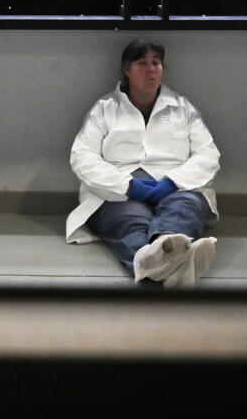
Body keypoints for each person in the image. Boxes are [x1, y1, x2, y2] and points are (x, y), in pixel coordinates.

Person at [67, 39, 220, 287]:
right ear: (126, 70)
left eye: (156, 63)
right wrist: (127, 185)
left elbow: (208, 154)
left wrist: (173, 181)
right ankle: (178, 266)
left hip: (176, 186)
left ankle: (165, 249)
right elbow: (82, 156)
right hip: (119, 190)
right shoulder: (105, 108)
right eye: (142, 63)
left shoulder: (182, 108)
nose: (151, 70)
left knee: (183, 208)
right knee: (130, 221)